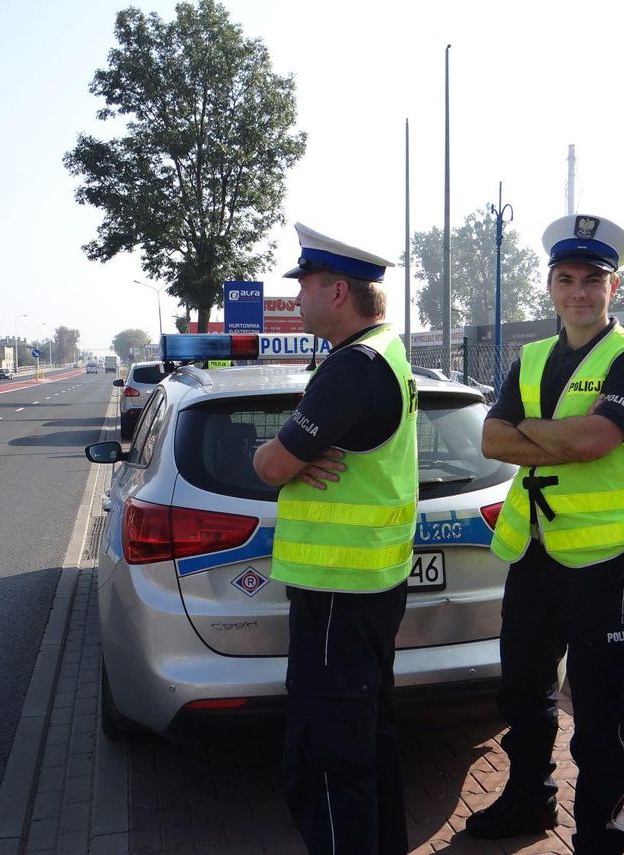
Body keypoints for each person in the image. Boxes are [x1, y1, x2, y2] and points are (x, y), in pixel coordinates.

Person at [467, 214, 624, 854]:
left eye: (592, 280)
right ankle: (530, 802)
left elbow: (597, 439)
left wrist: (533, 437)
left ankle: (601, 832)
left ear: (615, 287)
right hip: (532, 555)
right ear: (550, 286)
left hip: (602, 564)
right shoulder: (528, 358)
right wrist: (558, 440)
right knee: (523, 694)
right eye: (566, 279)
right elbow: (489, 438)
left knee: (603, 709)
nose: (578, 292)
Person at [253, 222, 418, 855]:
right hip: (371, 587)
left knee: (328, 760)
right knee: (371, 739)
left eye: (306, 286)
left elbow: (271, 467)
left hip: (337, 595)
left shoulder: (352, 369)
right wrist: (295, 452)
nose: (297, 298)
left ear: (339, 292)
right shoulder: (387, 352)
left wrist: (280, 454)